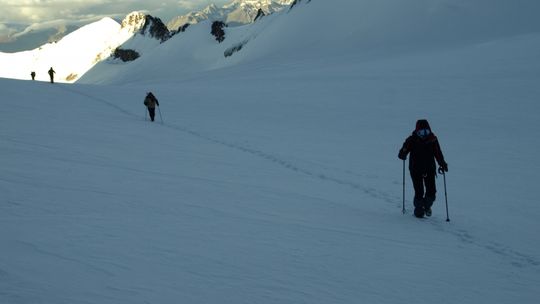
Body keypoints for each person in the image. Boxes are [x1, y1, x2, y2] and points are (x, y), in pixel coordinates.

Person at [398, 119, 448, 218]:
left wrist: (442, 164)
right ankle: (419, 213)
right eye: (421, 132)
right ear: (417, 131)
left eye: (426, 131)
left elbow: (438, 153)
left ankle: (425, 206)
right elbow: (401, 154)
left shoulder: (433, 139)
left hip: (430, 169)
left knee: (431, 192)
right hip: (415, 170)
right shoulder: (412, 140)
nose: (424, 134)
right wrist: (403, 153)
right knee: (419, 192)